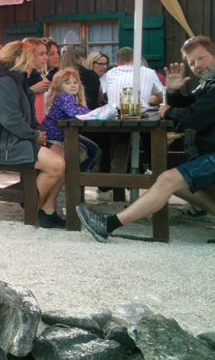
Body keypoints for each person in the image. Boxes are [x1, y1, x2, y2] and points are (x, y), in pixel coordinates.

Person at [78, 36, 215, 242]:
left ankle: (107, 225)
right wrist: (173, 91)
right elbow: (186, 104)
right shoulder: (207, 84)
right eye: (192, 63)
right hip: (208, 153)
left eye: (201, 58)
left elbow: (196, 116)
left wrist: (168, 111)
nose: (197, 66)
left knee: (168, 179)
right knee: (170, 179)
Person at [0, 41, 67, 228]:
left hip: (11, 138)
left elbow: (18, 115)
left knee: (67, 156)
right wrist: (33, 134)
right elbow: (9, 118)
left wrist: (36, 130)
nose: (34, 65)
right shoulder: (4, 79)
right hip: (0, 144)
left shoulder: (10, 77)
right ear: (19, 60)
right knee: (57, 164)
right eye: (31, 61)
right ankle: (31, 203)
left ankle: (47, 210)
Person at [42, 67, 101, 173]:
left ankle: (76, 175)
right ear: (59, 86)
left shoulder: (63, 96)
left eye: (75, 82)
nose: (73, 85)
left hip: (55, 132)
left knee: (91, 148)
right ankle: (75, 177)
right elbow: (73, 113)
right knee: (87, 149)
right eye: (67, 83)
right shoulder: (65, 96)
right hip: (55, 135)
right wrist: (85, 109)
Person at [58, 46, 102, 110]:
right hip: (90, 114)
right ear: (81, 60)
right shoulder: (92, 74)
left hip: (66, 116)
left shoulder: (60, 75)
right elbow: (100, 98)